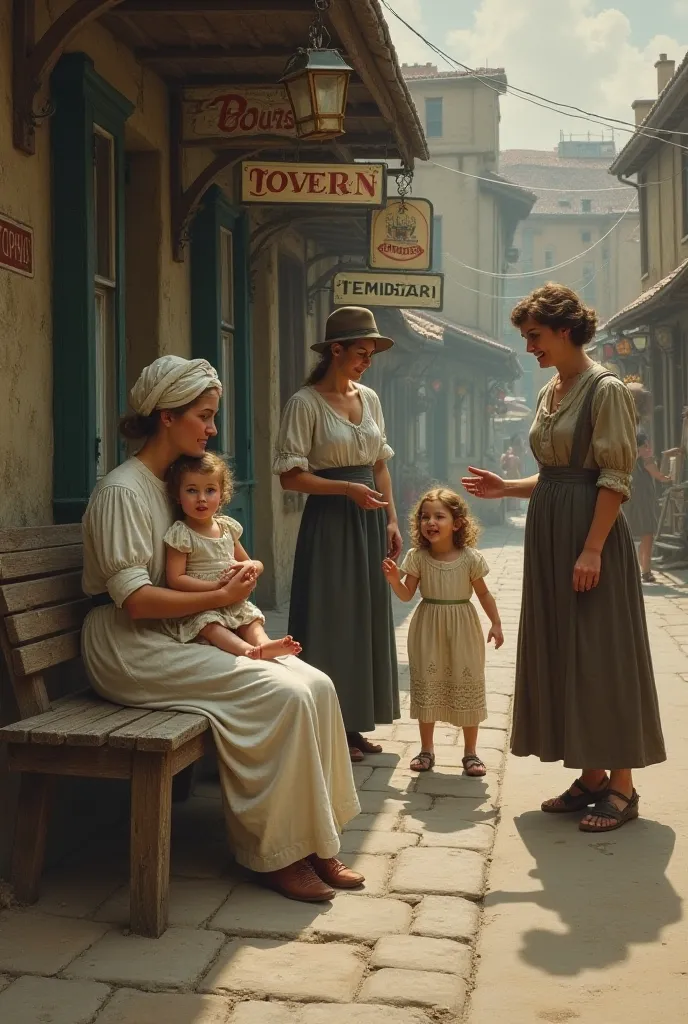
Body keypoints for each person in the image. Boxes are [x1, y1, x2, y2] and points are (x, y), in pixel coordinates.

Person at [81, 354, 363, 903]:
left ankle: (316, 837)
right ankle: (276, 853)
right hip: (127, 644)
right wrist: (221, 595)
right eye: (204, 417)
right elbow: (135, 601)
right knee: (278, 694)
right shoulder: (122, 492)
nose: (212, 429)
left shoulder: (172, 485)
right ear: (167, 416)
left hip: (183, 628)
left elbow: (204, 557)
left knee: (315, 684)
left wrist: (235, 577)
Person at [462, 284, 665, 834]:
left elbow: (614, 477)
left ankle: (623, 786)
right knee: (566, 650)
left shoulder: (605, 391)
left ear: (566, 330)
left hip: (587, 534)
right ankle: (592, 776)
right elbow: (555, 475)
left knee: (601, 651)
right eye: (526, 337)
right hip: (552, 532)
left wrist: (594, 547)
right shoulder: (552, 389)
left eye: (535, 336)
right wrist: (506, 488)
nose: (529, 346)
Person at [274, 306, 402, 764]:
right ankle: (327, 725)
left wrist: (391, 520)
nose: (367, 361)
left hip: (368, 519)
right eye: (361, 352)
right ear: (336, 350)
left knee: (364, 618)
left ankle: (353, 722)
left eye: (371, 354)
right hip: (329, 520)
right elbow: (290, 477)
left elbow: (380, 465)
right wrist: (346, 488)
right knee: (331, 619)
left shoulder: (369, 398)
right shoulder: (304, 403)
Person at [382, 487, 503, 777]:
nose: (430, 522)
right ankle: (426, 750)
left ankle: (471, 753)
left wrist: (496, 623)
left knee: (467, 683)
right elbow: (406, 594)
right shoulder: (417, 557)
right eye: (424, 517)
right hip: (428, 627)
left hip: (464, 626)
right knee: (428, 682)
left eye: (439, 516)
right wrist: (393, 579)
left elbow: (484, 595)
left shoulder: (470, 558)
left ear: (457, 523)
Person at [162, 452, 301, 659]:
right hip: (202, 604)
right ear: (177, 496)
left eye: (210, 490)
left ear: (222, 493)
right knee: (210, 626)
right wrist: (216, 588)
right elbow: (175, 579)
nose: (201, 498)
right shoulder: (182, 534)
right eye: (192, 490)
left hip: (232, 602)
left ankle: (264, 644)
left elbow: (250, 562)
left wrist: (253, 567)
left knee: (250, 620)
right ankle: (247, 650)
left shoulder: (227, 528)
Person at [624, 431, 671, 583]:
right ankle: (646, 571)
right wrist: (670, 472)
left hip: (636, 503)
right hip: (642, 504)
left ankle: (643, 570)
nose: (649, 449)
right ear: (638, 448)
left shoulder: (633, 461)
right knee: (647, 537)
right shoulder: (644, 461)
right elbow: (662, 477)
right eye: (645, 446)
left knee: (643, 537)